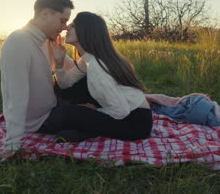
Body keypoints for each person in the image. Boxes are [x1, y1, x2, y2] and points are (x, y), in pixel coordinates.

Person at [39, 11, 153, 142]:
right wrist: (59, 63)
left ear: (86, 32)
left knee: (68, 114)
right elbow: (65, 84)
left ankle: (77, 131)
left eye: (74, 25)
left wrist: (96, 110)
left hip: (133, 124)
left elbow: (120, 111)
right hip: (126, 114)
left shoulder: (97, 67)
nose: (67, 27)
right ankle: (80, 130)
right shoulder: (89, 59)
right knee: (62, 93)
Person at [0, 0, 75, 158]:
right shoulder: (18, 43)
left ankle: (135, 100)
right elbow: (16, 96)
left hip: (54, 106)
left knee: (87, 89)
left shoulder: (45, 39)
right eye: (62, 21)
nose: (64, 28)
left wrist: (62, 61)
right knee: (93, 117)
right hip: (40, 121)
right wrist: (12, 144)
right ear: (46, 14)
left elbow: (77, 70)